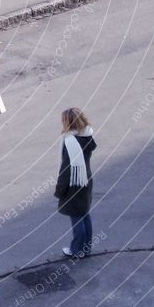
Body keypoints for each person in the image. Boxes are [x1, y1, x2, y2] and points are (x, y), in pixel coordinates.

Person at [54, 107, 97, 258]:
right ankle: (86, 248)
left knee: (77, 217)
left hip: (74, 183)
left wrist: (59, 190)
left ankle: (76, 250)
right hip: (86, 179)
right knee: (85, 214)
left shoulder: (70, 142)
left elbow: (66, 170)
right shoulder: (88, 135)